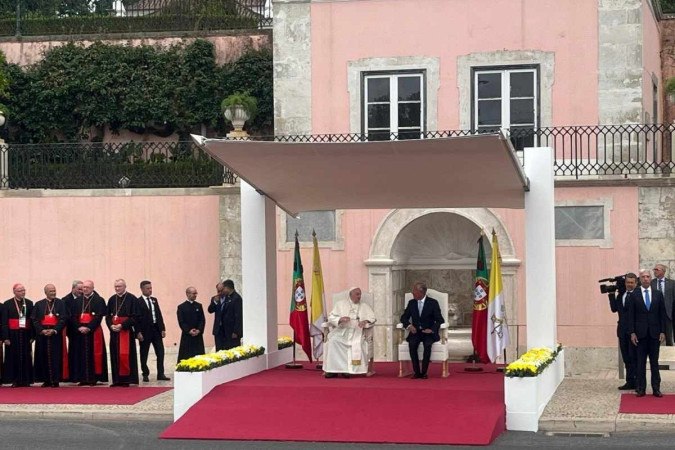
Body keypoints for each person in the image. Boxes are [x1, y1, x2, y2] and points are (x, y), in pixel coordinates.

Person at [323, 287, 376, 378]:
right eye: (357, 294)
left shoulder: (364, 306)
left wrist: (365, 321)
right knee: (333, 341)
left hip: (357, 331)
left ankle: (346, 370)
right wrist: (340, 319)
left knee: (355, 343)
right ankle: (332, 370)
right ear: (350, 295)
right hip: (342, 330)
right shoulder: (340, 304)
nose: (359, 296)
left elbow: (372, 318)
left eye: (360, 294)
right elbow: (331, 317)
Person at [629, 270, 667, 397]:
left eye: (647, 277)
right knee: (641, 363)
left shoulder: (658, 294)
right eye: (643, 277)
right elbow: (631, 315)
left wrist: (663, 331)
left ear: (651, 279)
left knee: (654, 363)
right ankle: (641, 388)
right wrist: (632, 332)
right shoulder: (634, 294)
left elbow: (662, 314)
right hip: (640, 335)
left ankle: (656, 388)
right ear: (640, 279)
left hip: (655, 334)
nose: (645, 279)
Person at [400, 282, 444, 379]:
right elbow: (403, 318)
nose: (412, 293)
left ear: (421, 292)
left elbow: (440, 320)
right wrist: (409, 326)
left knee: (427, 345)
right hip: (415, 332)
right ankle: (416, 372)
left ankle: (424, 372)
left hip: (428, 333)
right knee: (412, 344)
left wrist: (431, 330)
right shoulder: (411, 303)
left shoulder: (433, 303)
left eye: (414, 291)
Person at [70, 280, 108, 385]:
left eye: (87, 287)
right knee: (81, 355)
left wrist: (89, 328)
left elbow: (98, 317)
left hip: (93, 331)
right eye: (84, 287)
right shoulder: (77, 301)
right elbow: (73, 317)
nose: (85, 289)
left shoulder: (99, 300)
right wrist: (79, 327)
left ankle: (93, 378)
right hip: (80, 332)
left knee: (93, 355)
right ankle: (82, 378)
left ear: (92, 288)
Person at [31, 284, 69, 387]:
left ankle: (55, 380)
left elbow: (63, 319)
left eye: (54, 291)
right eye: (51, 291)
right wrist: (42, 330)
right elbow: (34, 320)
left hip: (55, 335)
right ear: (46, 292)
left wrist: (55, 330)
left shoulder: (61, 303)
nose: (53, 293)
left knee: (56, 358)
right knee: (43, 357)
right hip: (42, 336)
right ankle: (46, 380)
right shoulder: (39, 304)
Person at [106, 279, 140, 387]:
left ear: (125, 286)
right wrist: (111, 325)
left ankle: (126, 380)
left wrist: (122, 325)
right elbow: (108, 316)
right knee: (115, 355)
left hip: (126, 332)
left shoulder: (132, 299)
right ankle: (117, 380)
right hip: (114, 333)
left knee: (126, 355)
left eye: (119, 286)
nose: (117, 288)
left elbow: (135, 317)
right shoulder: (112, 299)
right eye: (115, 286)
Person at [609, 273, 637, 390]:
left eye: (631, 283)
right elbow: (614, 309)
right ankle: (629, 382)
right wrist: (611, 294)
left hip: (635, 332)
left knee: (634, 357)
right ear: (625, 283)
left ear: (635, 283)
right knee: (626, 357)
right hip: (622, 331)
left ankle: (638, 382)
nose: (629, 285)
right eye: (627, 282)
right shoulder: (621, 295)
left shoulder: (638, 295)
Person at [136, 280, 169, 382]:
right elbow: (136, 319)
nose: (150, 290)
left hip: (156, 330)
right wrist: (138, 332)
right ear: (142, 289)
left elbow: (159, 314)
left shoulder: (154, 300)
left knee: (160, 352)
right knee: (144, 353)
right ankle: (145, 373)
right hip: (145, 331)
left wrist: (162, 328)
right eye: (148, 288)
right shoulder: (138, 302)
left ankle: (161, 373)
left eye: (151, 288)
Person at [2, 283, 34, 387]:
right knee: (13, 357)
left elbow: (32, 321)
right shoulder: (7, 304)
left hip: (25, 334)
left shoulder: (29, 303)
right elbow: (4, 322)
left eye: (24, 290)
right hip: (13, 334)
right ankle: (15, 380)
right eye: (20, 291)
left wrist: (32, 336)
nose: (23, 292)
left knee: (26, 356)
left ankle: (26, 380)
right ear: (14, 292)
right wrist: (5, 337)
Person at [208, 279, 243, 350]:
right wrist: (215, 302)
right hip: (218, 330)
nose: (220, 293)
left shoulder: (232, 298)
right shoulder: (215, 298)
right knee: (219, 350)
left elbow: (238, 316)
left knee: (230, 349)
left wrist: (236, 331)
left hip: (228, 330)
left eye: (222, 290)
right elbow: (210, 310)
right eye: (218, 291)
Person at [177, 286, 206, 362]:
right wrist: (189, 330)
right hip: (187, 336)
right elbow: (181, 321)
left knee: (199, 357)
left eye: (196, 293)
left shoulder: (199, 306)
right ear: (188, 294)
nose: (195, 295)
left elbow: (202, 319)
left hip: (198, 335)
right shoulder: (181, 307)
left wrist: (199, 330)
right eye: (194, 293)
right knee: (186, 357)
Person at [62, 280, 83, 381]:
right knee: (74, 353)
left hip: (86, 330)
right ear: (73, 288)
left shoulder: (86, 298)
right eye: (79, 289)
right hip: (73, 331)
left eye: (82, 289)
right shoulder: (65, 300)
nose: (81, 291)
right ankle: (74, 375)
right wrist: (77, 326)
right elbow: (68, 317)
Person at [651, 264, 674, 346]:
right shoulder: (651, 283)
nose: (654, 271)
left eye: (657, 269)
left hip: (668, 313)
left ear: (663, 271)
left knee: (669, 337)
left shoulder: (672, 283)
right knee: (654, 336)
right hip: (655, 313)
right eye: (654, 269)